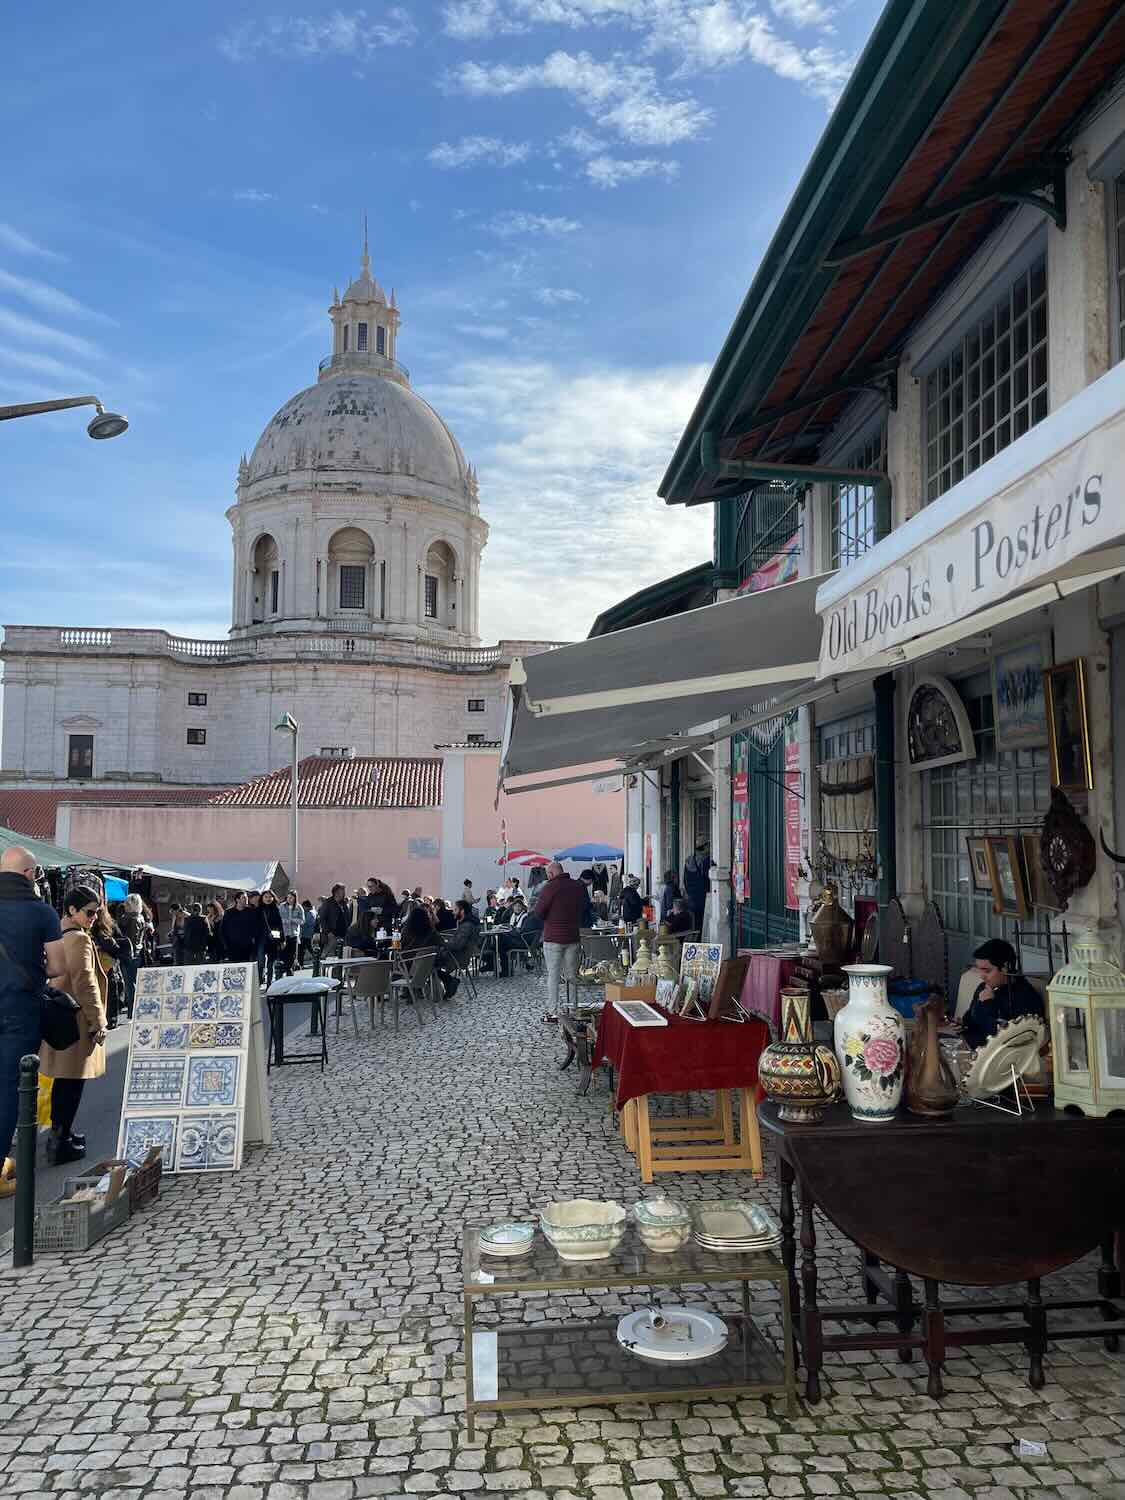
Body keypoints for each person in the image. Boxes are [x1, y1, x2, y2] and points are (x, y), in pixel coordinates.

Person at [0, 846, 66, 1198]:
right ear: (29, 875)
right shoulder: (40, 912)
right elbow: (57, 967)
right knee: (10, 1087)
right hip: (19, 1009)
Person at [40, 885, 108, 1167]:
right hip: (76, 1018)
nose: (94, 918)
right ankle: (61, 1140)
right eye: (90, 912)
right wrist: (98, 1020)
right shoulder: (79, 940)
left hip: (58, 1016)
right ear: (72, 910)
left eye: (97, 912)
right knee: (72, 1083)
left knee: (63, 1081)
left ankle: (61, 1134)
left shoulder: (55, 934)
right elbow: (86, 982)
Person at [962, 939, 1045, 1051]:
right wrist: (961, 1026)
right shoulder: (985, 987)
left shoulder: (1025, 997)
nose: (982, 976)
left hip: (996, 1057)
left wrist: (988, 1005)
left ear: (1005, 967)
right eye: (979, 970)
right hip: (970, 1048)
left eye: (987, 971)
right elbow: (970, 1020)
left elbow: (1003, 1038)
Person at [533, 861, 587, 1023]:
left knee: (554, 976)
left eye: (548, 875)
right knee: (572, 975)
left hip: (553, 938)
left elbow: (538, 912)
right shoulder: (577, 886)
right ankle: (573, 1009)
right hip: (572, 936)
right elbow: (584, 908)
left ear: (551, 874)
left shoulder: (549, 888)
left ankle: (553, 1012)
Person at [91, 902, 132, 1029]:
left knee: (101, 990)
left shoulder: (91, 926)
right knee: (111, 990)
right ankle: (111, 1019)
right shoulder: (110, 923)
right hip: (110, 962)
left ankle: (104, 1018)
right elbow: (120, 940)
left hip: (98, 962)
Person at [497, 901, 543, 978]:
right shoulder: (535, 916)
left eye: (530, 905)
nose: (528, 907)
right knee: (501, 940)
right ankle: (504, 969)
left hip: (524, 942)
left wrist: (509, 932)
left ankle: (505, 970)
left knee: (501, 940)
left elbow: (521, 933)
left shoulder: (531, 917)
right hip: (526, 941)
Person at [683, 842, 715, 931]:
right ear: (704, 846)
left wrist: (689, 893)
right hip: (702, 897)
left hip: (691, 898)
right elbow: (707, 878)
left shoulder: (689, 860)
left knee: (695, 924)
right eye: (708, 845)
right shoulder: (705, 860)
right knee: (703, 924)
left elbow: (685, 881)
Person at [220, 892, 260, 964]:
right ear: (237, 900)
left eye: (246, 897)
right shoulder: (229, 912)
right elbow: (223, 929)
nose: (246, 899)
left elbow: (256, 927)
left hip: (248, 946)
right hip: (232, 946)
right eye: (244, 897)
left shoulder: (251, 912)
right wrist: (225, 944)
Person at [317, 884, 351, 960]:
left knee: (341, 956)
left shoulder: (344, 903)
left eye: (343, 891)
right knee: (327, 955)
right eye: (341, 891)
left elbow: (348, 917)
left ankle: (337, 971)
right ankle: (322, 970)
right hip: (332, 934)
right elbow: (322, 919)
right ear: (336, 892)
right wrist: (328, 932)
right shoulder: (328, 903)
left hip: (343, 934)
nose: (343, 893)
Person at [259, 891, 285, 984]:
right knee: (261, 962)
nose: (268, 899)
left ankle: (269, 984)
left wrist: (282, 939)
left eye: (270, 897)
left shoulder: (276, 909)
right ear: (262, 898)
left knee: (271, 963)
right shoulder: (259, 909)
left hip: (273, 939)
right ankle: (260, 980)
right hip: (261, 939)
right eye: (266, 897)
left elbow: (280, 925)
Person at [299, 899, 317, 967]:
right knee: (308, 948)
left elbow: (305, 923)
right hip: (307, 934)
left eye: (303, 906)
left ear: (307, 906)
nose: (302, 908)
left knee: (302, 950)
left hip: (306, 934)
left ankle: (301, 963)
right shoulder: (311, 912)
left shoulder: (310, 913)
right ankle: (316, 959)